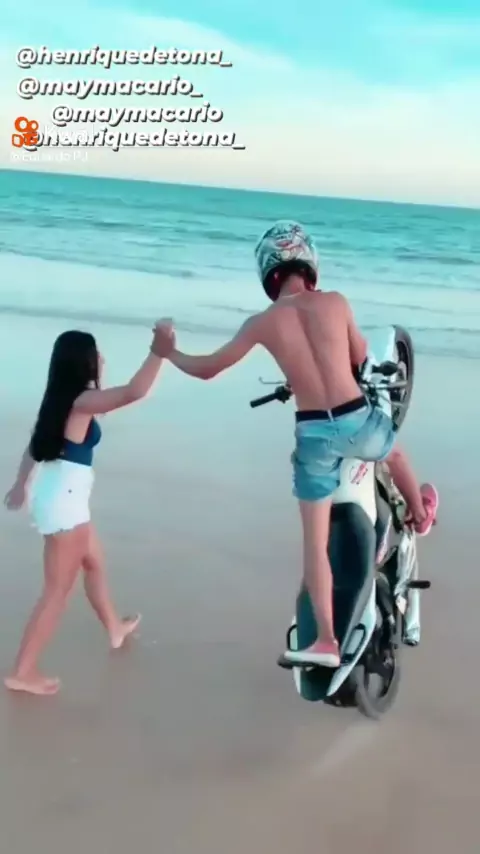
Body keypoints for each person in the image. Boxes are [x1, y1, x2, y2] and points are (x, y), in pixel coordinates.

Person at [152, 221, 438, 668]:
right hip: (355, 418)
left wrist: (169, 352)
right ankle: (419, 514)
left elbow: (208, 368)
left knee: (315, 545)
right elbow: (360, 356)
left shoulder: (261, 323)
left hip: (313, 436)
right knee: (394, 451)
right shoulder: (336, 302)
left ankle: (325, 641)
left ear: (268, 272)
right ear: (309, 262)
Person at [3, 321, 175, 695]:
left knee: (94, 562)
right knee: (56, 593)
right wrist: (158, 353)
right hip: (65, 504)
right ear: (83, 361)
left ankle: (114, 628)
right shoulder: (80, 402)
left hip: (62, 497)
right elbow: (134, 392)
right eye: (95, 353)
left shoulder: (62, 399)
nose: (101, 356)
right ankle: (22, 671)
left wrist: (21, 483)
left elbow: (36, 444)